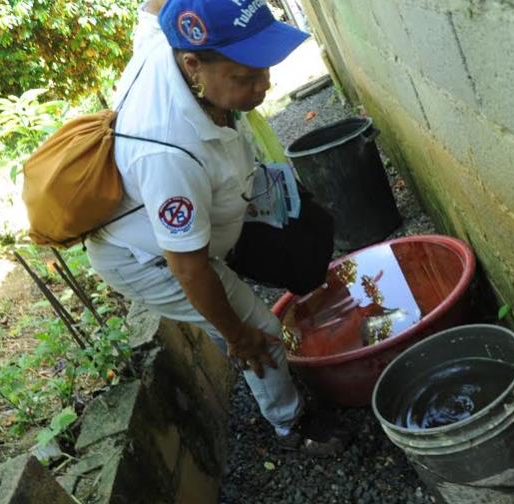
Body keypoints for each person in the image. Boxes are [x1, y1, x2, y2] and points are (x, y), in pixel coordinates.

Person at [84, 0, 346, 456]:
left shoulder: (168, 37)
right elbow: (189, 268)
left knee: (309, 234)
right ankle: (292, 422)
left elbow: (151, 9)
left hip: (213, 210)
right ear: (193, 65)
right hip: (148, 257)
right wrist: (238, 336)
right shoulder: (166, 151)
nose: (264, 86)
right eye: (245, 78)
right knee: (257, 327)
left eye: (264, 69)